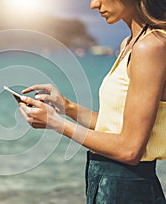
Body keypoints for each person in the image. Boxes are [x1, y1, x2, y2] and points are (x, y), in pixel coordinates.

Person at [18, 0, 166, 203]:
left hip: (130, 190)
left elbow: (130, 149)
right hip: (107, 183)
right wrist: (67, 107)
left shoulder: (151, 46)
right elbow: (114, 128)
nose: (93, 4)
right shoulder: (129, 44)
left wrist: (56, 123)